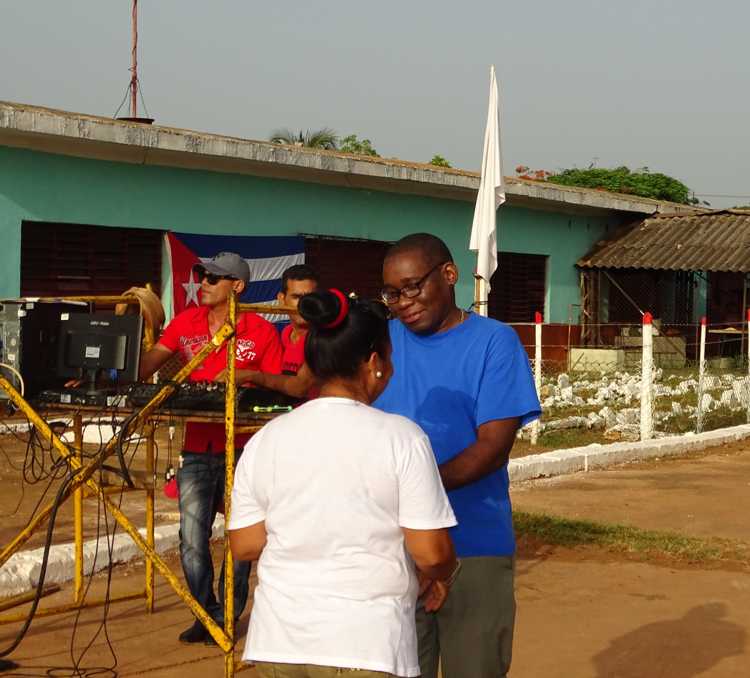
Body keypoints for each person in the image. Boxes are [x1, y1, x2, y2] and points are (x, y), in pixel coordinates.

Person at [228, 289, 459, 678]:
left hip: (279, 643)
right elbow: (432, 554)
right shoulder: (402, 438)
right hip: (366, 643)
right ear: (374, 363)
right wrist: (443, 574)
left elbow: (245, 544)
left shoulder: (268, 438)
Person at [375, 233, 541, 678]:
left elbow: (491, 448)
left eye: (412, 287)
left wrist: (411, 490)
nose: (402, 302)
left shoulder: (494, 342)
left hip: (473, 546)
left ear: (449, 275)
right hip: (393, 549)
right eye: (392, 293)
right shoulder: (379, 343)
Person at [139, 251, 282, 644]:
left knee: (239, 540)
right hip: (198, 447)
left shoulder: (261, 330)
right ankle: (208, 613)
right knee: (190, 538)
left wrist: (246, 378)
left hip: (246, 451)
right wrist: (134, 337)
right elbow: (146, 365)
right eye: (202, 275)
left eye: (214, 278)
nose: (203, 282)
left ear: (237, 286)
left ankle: (228, 618)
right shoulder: (186, 322)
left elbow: (275, 385)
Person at [237, 264, 319, 398]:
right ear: (282, 299)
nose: (305, 304)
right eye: (296, 297)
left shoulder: (324, 337)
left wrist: (251, 375)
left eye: (310, 298)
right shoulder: (282, 334)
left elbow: (299, 388)